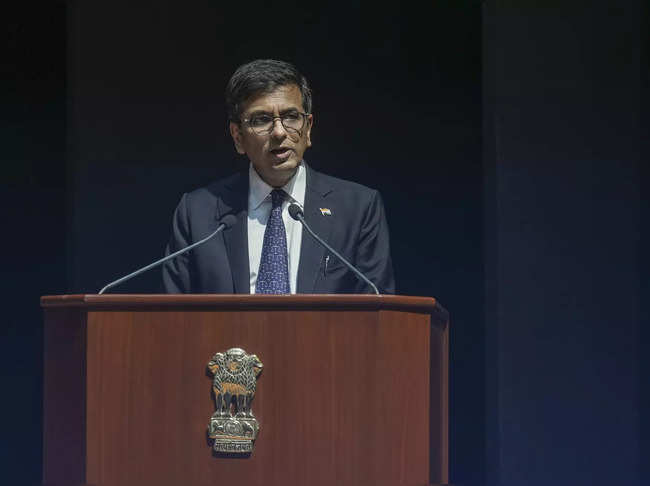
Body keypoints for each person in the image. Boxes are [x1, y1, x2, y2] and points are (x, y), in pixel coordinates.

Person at [162, 59, 395, 294]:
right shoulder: (198, 213)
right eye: (261, 120)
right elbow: (175, 317)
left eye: (291, 116)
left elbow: (377, 311)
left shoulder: (357, 208)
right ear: (238, 137)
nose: (279, 132)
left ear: (308, 128)